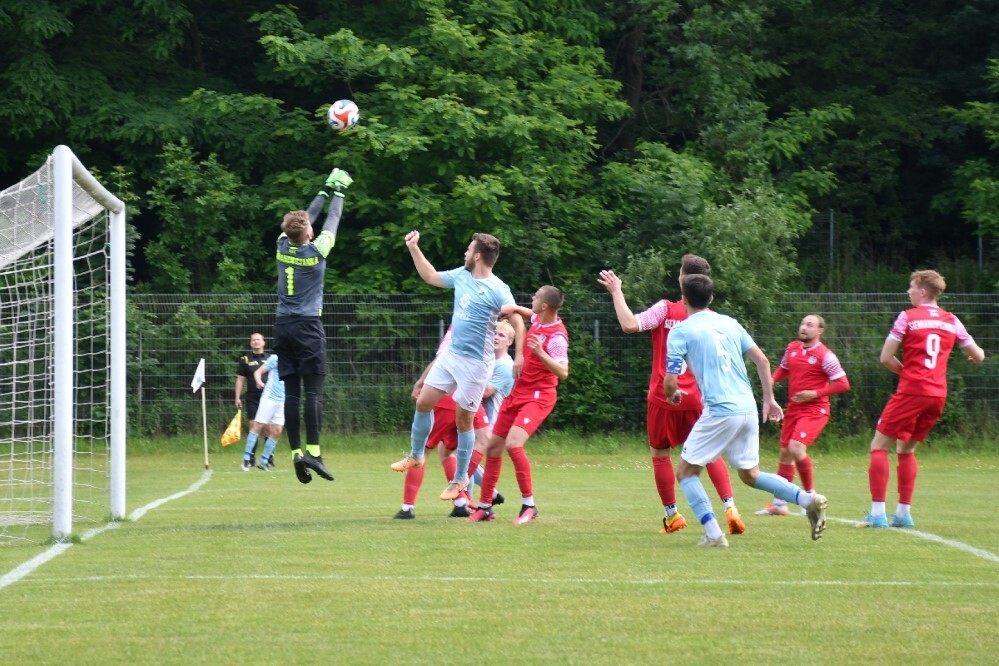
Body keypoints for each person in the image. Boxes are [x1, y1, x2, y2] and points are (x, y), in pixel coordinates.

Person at [665, 274, 828, 547]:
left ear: (683, 299)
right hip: (747, 408)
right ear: (711, 298)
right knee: (750, 475)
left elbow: (670, 381)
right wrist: (769, 399)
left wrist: (672, 394)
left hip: (720, 410)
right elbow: (762, 360)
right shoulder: (730, 323)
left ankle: (713, 533)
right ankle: (806, 499)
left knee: (685, 472)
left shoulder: (681, 331)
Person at [598, 257, 746, 536]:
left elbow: (629, 324)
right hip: (698, 399)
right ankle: (730, 507)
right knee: (710, 453)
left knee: (660, 454)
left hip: (664, 395)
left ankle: (672, 515)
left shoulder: (664, 309)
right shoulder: (715, 320)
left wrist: (616, 291)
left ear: (682, 279)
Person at [390, 232, 525, 502]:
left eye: (468, 249)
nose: (465, 253)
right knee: (423, 402)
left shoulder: (498, 289)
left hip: (476, 364)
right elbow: (430, 276)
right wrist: (413, 247)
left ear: (478, 256)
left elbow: (518, 322)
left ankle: (461, 477)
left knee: (464, 421)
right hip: (452, 355)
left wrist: (520, 355)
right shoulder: (462, 275)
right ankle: (416, 455)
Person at [859, 270, 984, 528]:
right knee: (906, 449)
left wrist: (908, 372)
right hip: (937, 394)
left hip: (912, 390)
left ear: (923, 292)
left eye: (912, 287)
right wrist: (973, 357)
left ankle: (878, 514)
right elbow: (979, 355)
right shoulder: (952, 320)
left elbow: (885, 358)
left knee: (879, 446)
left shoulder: (907, 317)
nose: (909, 292)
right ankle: (903, 514)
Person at [273, 167, 353, 484]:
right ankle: (314, 453)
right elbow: (332, 218)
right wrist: (339, 191)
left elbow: (307, 217)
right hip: (308, 326)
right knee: (314, 393)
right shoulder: (317, 250)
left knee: (291, 395)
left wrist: (324, 188)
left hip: (283, 325)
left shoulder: (281, 244)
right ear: (308, 233)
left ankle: (296, 453)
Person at [469, 286, 568, 524]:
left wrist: (540, 353)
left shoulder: (556, 337)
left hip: (539, 396)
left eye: (536, 296)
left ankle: (529, 505)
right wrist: (512, 308)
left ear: (544, 305)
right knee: (494, 447)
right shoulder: (539, 319)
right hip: (518, 392)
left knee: (513, 443)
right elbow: (523, 312)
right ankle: (485, 506)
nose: (532, 298)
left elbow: (563, 372)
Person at [757, 314, 850, 516]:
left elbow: (843, 384)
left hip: (816, 410)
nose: (804, 327)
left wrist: (814, 393)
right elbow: (783, 369)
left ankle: (810, 497)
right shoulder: (793, 348)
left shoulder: (826, 356)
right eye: (803, 323)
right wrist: (770, 381)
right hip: (794, 408)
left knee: (796, 448)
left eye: (810, 325)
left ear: (820, 331)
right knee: (785, 453)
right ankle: (779, 504)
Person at [235, 332, 270, 470]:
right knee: (253, 426)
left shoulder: (271, 358)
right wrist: (237, 397)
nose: (256, 342)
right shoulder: (245, 359)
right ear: (250, 343)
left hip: (268, 397)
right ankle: (251, 458)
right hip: (252, 397)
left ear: (263, 342)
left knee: (267, 427)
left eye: (258, 339)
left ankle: (268, 457)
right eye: (253, 340)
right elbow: (240, 380)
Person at [247, 354, 285, 471]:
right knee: (258, 426)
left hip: (282, 400)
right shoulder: (275, 358)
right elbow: (258, 372)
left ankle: (264, 461)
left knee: (278, 430)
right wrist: (259, 381)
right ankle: (246, 458)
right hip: (269, 397)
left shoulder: (295, 360)